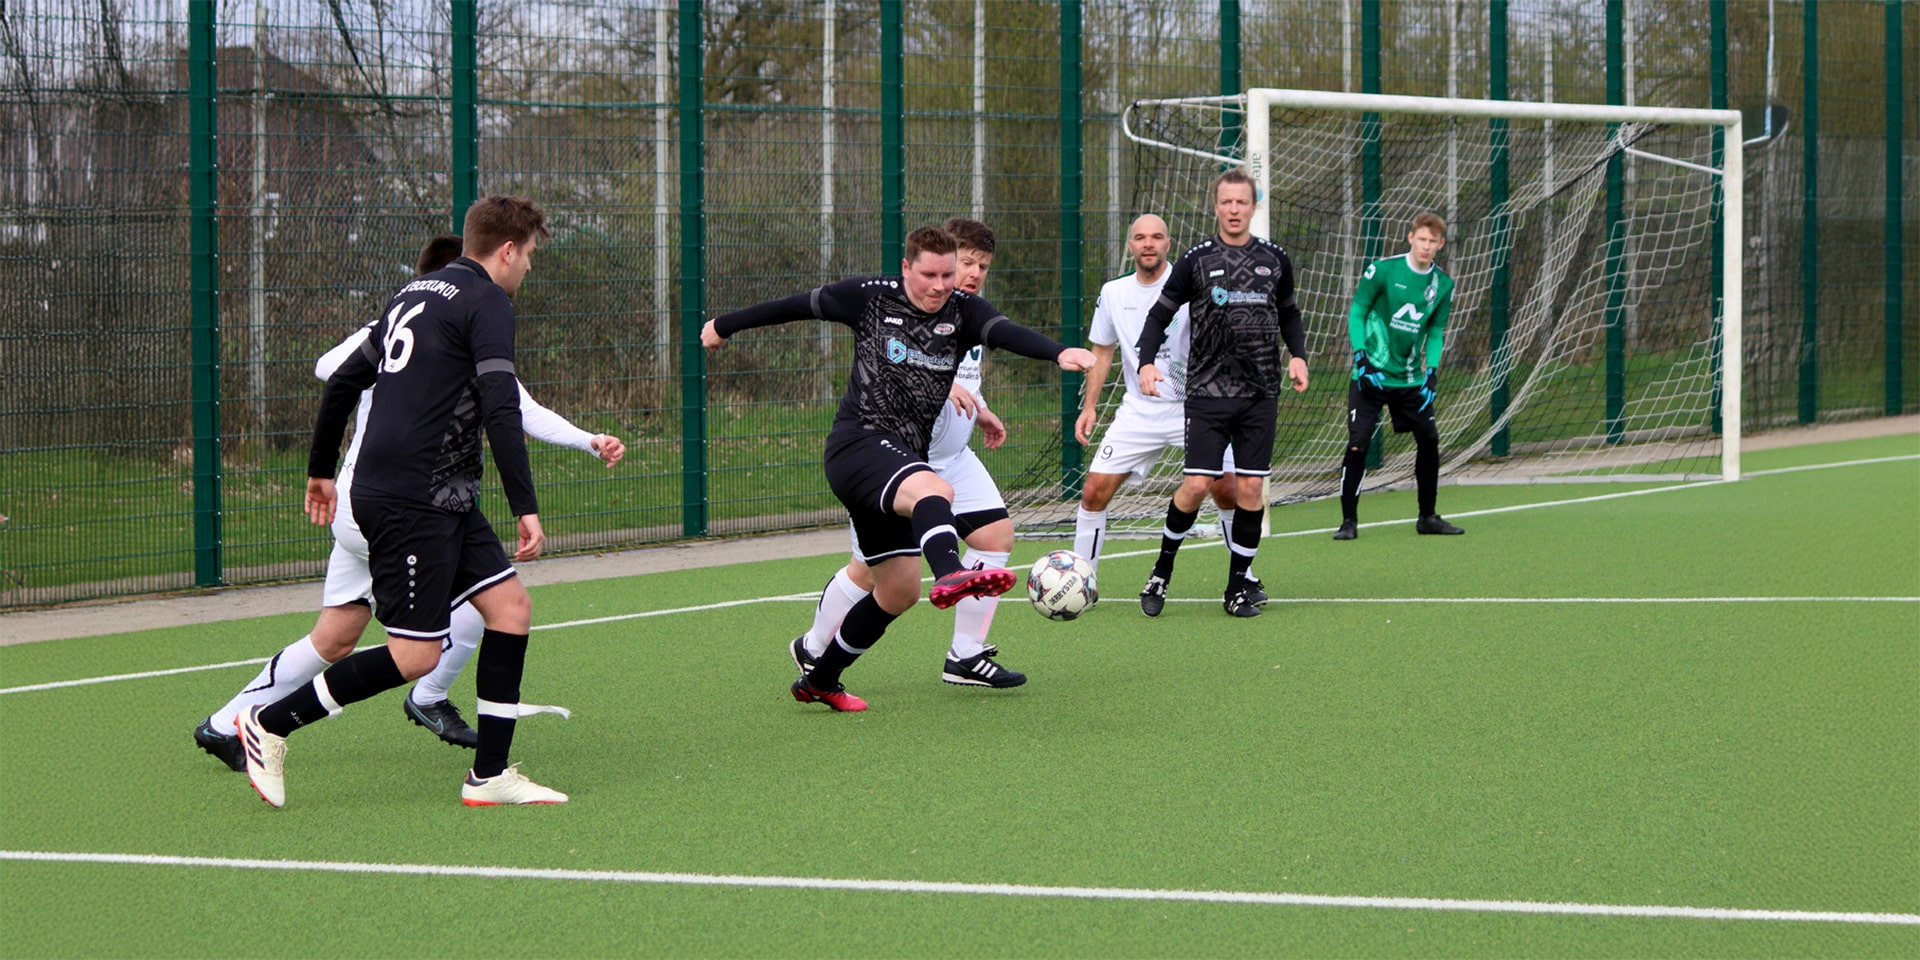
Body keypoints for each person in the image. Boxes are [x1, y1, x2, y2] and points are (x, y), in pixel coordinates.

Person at [192, 235, 623, 771]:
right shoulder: (437, 320)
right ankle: (421, 698)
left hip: (359, 501)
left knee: (336, 634)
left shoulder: (419, 322)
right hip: (392, 503)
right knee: (466, 614)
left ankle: (226, 720)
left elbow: (516, 403)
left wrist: (586, 438)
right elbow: (333, 367)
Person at [237, 196, 564, 808]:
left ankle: (489, 776)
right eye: (530, 258)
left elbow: (342, 380)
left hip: (437, 493)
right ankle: (269, 724)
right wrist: (526, 504)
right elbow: (500, 405)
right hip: (410, 497)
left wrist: (319, 472)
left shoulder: (412, 294)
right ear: (507, 250)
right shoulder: (488, 299)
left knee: (511, 608)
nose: (528, 271)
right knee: (415, 655)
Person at [702, 225, 1094, 712]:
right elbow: (793, 306)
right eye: (928, 274)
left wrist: (1058, 352)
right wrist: (724, 324)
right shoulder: (868, 297)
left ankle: (820, 680)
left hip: (904, 455)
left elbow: (1004, 333)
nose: (939, 285)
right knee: (936, 493)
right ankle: (951, 573)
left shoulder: (964, 310)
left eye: (948, 275)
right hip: (858, 442)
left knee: (900, 589)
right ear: (906, 268)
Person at [791, 218, 1029, 688]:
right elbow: (900, 369)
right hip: (895, 461)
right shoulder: (905, 306)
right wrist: (945, 389)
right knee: (871, 574)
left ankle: (965, 655)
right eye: (965, 262)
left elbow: (958, 371)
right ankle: (814, 647)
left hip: (952, 458)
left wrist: (978, 409)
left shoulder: (970, 311)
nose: (973, 272)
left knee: (997, 537)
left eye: (982, 265)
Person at [1135, 169, 1309, 618]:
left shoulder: (1275, 259)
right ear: (1216, 207)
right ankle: (1161, 572)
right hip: (1208, 394)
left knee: (1251, 489)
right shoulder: (1196, 260)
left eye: (1242, 203)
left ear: (1254, 206)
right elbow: (1158, 317)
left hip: (1259, 393)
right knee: (1197, 484)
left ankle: (1236, 588)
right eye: (1226, 203)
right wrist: (1147, 362)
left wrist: (1298, 355)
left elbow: (1289, 313)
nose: (1234, 210)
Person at [1072, 214, 1264, 605]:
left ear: (1168, 243)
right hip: (1138, 411)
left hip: (1195, 408)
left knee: (1227, 487)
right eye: (1140, 238)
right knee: (1093, 492)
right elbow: (1102, 350)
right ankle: (1079, 581)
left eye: (1156, 237)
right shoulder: (1113, 293)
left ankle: (1243, 574)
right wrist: (1089, 406)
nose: (1148, 244)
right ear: (1130, 246)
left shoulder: (1195, 283)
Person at [1336, 212, 1461, 540]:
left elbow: (1435, 331)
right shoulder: (1383, 270)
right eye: (1421, 239)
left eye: (1433, 241)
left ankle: (1428, 517)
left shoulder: (1442, 285)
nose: (1426, 246)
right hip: (1370, 376)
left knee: (1430, 440)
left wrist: (1431, 373)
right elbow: (1358, 311)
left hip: (1409, 380)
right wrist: (1361, 357)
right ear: (1410, 237)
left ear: (1440, 244)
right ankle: (1349, 521)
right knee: (1357, 444)